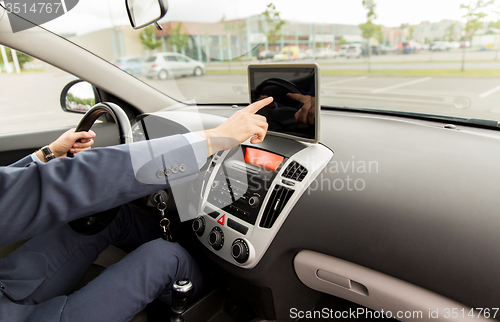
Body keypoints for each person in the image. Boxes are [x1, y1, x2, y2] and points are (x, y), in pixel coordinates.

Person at [0, 97, 273, 322]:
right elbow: (59, 186)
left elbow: (8, 191)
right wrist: (211, 140)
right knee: (167, 256)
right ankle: (214, 302)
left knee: (112, 216)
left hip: (6, 284)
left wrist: (46, 155)